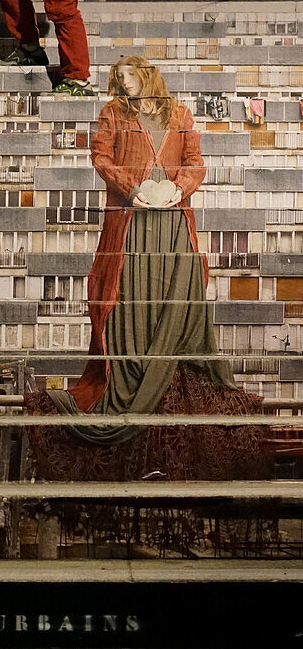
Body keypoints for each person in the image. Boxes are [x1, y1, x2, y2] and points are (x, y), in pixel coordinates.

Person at [27, 57, 267, 479]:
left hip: (173, 221)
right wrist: (132, 188)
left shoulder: (180, 113)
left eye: (130, 76)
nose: (124, 84)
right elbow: (100, 156)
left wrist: (179, 188)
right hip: (131, 222)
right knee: (128, 298)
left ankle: (165, 377)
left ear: (148, 76)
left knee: (174, 297)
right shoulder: (113, 113)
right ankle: (133, 377)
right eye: (119, 78)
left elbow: (196, 163)